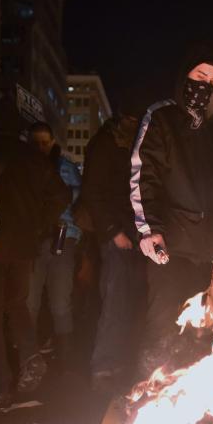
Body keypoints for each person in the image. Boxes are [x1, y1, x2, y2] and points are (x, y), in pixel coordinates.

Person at [130, 43, 213, 371]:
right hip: (170, 246)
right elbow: (143, 174)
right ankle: (150, 397)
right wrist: (149, 230)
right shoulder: (162, 117)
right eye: (200, 76)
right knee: (164, 327)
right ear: (185, 75)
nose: (205, 86)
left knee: (199, 331)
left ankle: (187, 411)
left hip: (203, 250)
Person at [0, 98, 70, 404]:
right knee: (17, 304)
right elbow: (61, 194)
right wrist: (39, 225)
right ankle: (29, 356)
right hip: (23, 245)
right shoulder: (32, 157)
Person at [79, 97, 145, 392]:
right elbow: (93, 191)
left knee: (126, 299)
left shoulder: (134, 144)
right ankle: (103, 364)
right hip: (117, 234)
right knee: (115, 298)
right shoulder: (107, 143)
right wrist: (113, 230)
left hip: (133, 233)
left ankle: (115, 362)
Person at [26, 121, 82, 374]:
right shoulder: (26, 165)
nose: (40, 147)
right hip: (36, 239)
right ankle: (31, 355)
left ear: (52, 143)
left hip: (62, 237)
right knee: (30, 301)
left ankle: (65, 357)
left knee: (60, 301)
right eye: (36, 143)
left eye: (44, 143)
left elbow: (78, 204)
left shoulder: (66, 168)